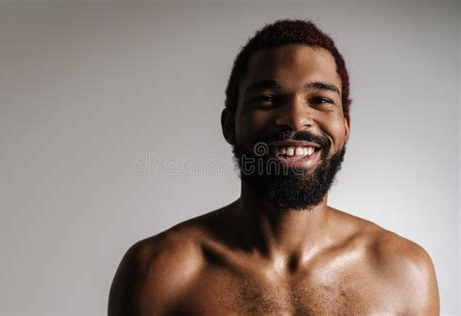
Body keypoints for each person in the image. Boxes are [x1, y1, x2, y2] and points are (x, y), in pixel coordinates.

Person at [108, 20, 439, 315]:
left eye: (320, 100)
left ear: (345, 127)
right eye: (267, 99)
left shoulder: (405, 272)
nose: (296, 119)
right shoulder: (157, 271)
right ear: (230, 125)